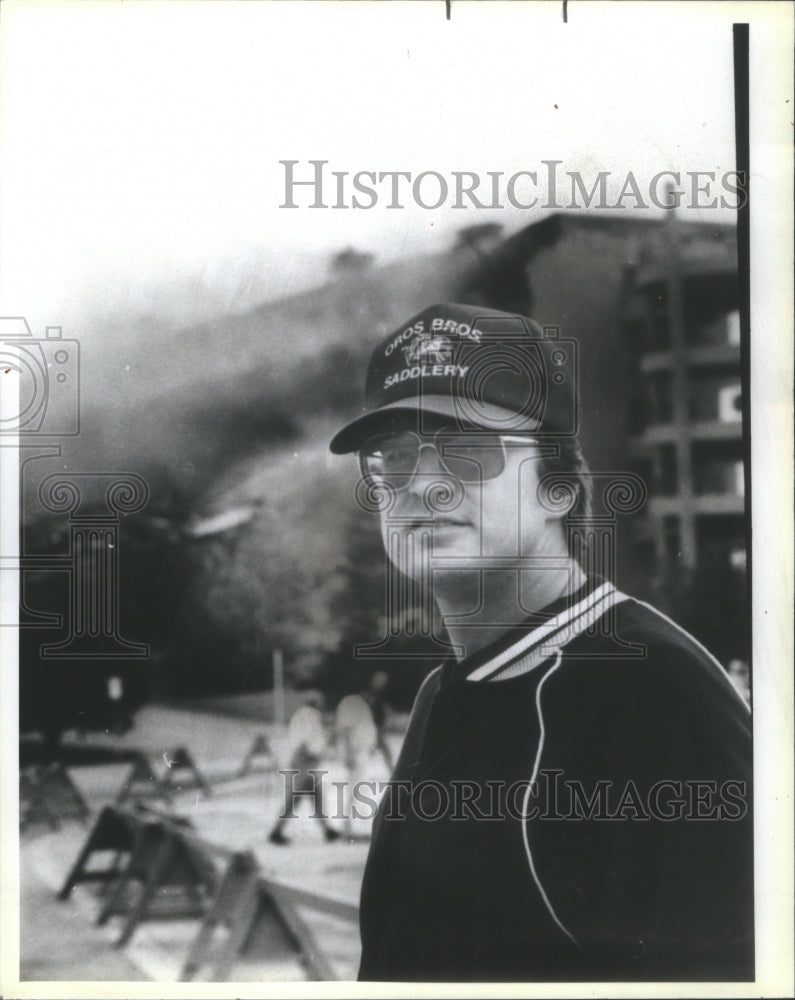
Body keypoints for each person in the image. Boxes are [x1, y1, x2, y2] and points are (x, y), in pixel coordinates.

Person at [329, 302, 753, 982]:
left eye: (468, 451)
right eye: (392, 459)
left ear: (558, 487)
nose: (425, 483)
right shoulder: (450, 686)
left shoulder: (651, 688)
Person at [268, 691, 340, 845]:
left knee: (314, 794)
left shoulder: (299, 715)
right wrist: (321, 750)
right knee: (297, 797)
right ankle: (276, 831)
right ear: (316, 703)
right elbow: (311, 741)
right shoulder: (311, 715)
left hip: (300, 759)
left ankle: (327, 830)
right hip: (306, 760)